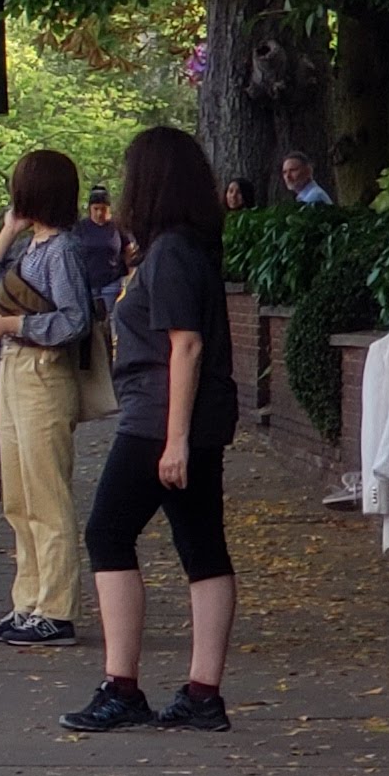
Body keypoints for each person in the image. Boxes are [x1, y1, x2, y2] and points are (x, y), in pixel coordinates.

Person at [66, 126, 244, 734]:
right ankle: (203, 692)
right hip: (192, 416)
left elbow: (184, 346)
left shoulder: (168, 254)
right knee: (202, 547)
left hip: (158, 418)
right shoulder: (189, 248)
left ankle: (122, 685)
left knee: (108, 533)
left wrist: (175, 441)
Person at [0, 149, 98, 647]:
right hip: (14, 370)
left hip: (43, 371)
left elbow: (74, 319)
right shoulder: (32, 246)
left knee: (46, 494)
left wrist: (15, 324)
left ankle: (57, 608)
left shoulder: (62, 250)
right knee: (19, 495)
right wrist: (7, 233)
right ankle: (28, 600)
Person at [73, 185, 128, 313]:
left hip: (112, 282)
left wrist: (129, 280)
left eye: (103, 209)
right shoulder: (80, 228)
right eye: (96, 209)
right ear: (90, 209)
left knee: (111, 317)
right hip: (87, 283)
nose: (99, 213)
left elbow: (130, 252)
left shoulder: (117, 226)